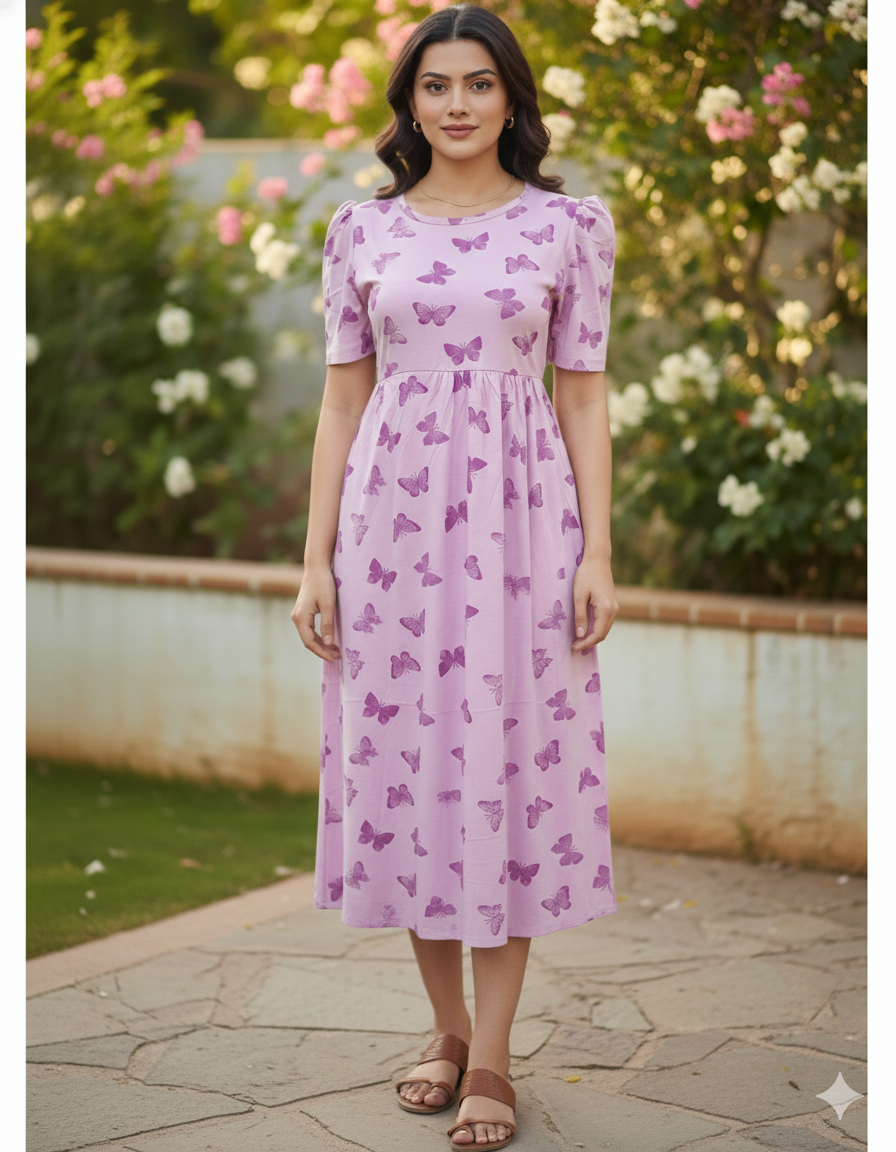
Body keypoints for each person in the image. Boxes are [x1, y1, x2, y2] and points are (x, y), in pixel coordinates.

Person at [291, 5, 618, 1147]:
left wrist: (598, 552)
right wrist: (315, 560)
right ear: (409, 104)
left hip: (523, 536)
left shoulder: (568, 227)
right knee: (408, 774)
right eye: (436, 85)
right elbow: (342, 401)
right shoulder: (360, 231)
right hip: (388, 537)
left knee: (507, 771)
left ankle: (493, 1058)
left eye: (480, 83)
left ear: (511, 96)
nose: (459, 104)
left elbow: (583, 395)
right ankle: (446, 1028)